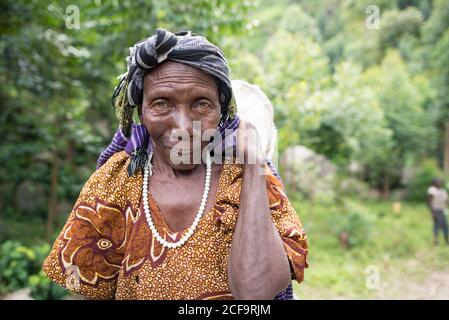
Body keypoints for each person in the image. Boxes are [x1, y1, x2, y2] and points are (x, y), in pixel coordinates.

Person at [42, 28, 308, 300]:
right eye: (161, 103)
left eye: (201, 104)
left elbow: (256, 293)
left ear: (222, 112)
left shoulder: (244, 180)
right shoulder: (116, 183)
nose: (183, 127)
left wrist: (252, 163)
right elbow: (92, 291)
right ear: (141, 112)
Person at [427, 178, 448, 245]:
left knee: (445, 226)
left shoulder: (443, 191)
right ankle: (435, 240)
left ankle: (446, 240)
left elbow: (446, 201)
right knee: (437, 225)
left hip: (442, 210)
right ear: (434, 182)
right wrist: (432, 212)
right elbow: (429, 201)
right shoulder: (432, 190)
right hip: (436, 210)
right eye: (438, 181)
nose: (440, 182)